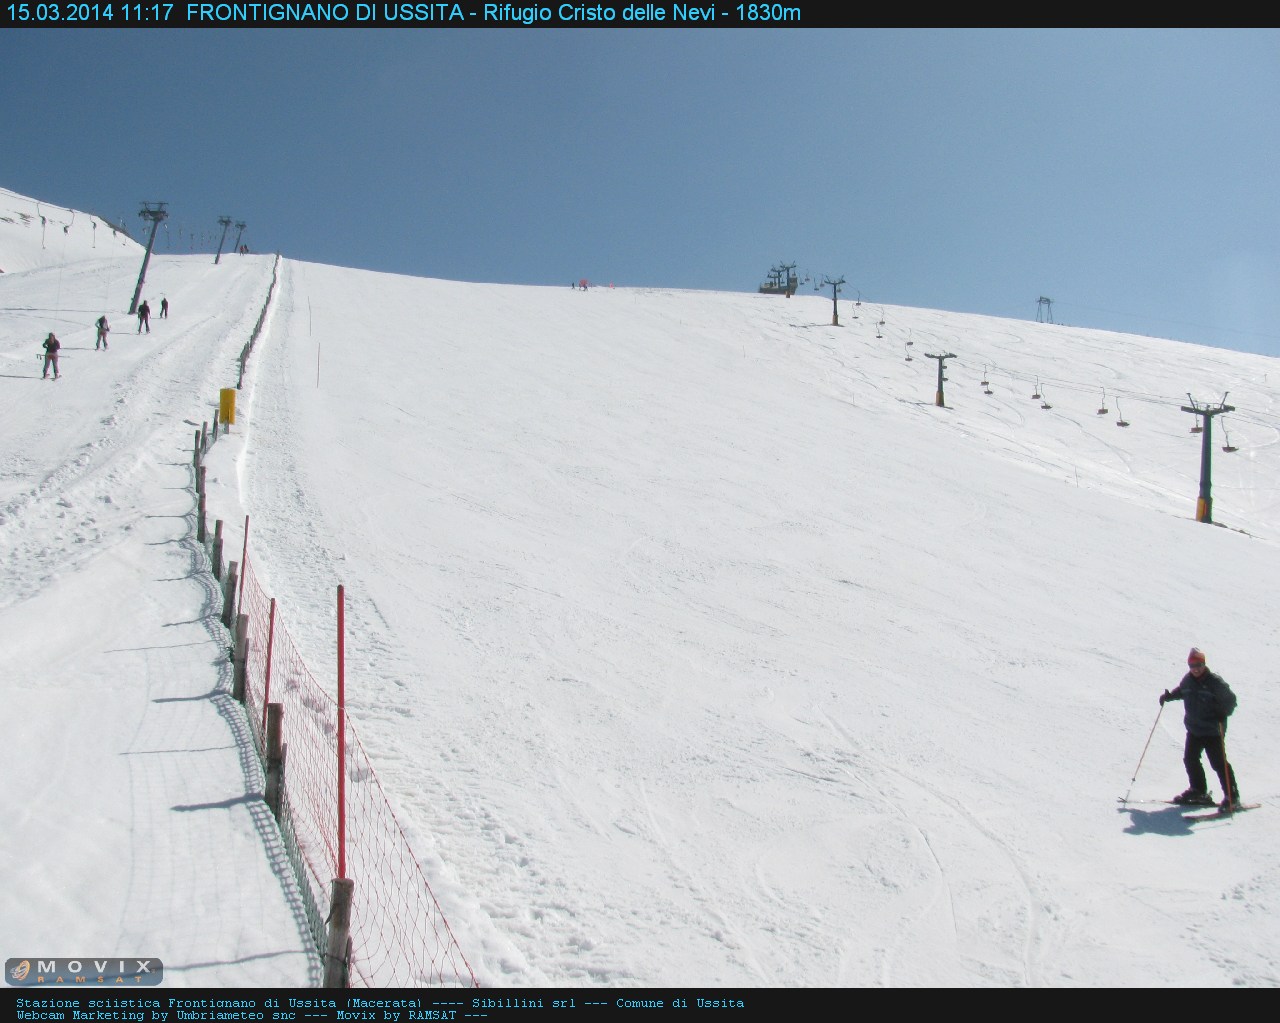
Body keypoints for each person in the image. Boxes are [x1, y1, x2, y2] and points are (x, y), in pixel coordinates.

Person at [1160, 647, 1240, 809]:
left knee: (1218, 763)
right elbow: (1183, 691)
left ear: (1204, 664)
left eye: (1199, 665)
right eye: (1192, 666)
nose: (1195, 669)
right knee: (1190, 759)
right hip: (1194, 729)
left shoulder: (1214, 682)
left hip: (1212, 730)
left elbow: (1231, 699)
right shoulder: (1188, 680)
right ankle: (1198, 791)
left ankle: (1232, 797)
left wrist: (1223, 712)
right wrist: (1169, 696)